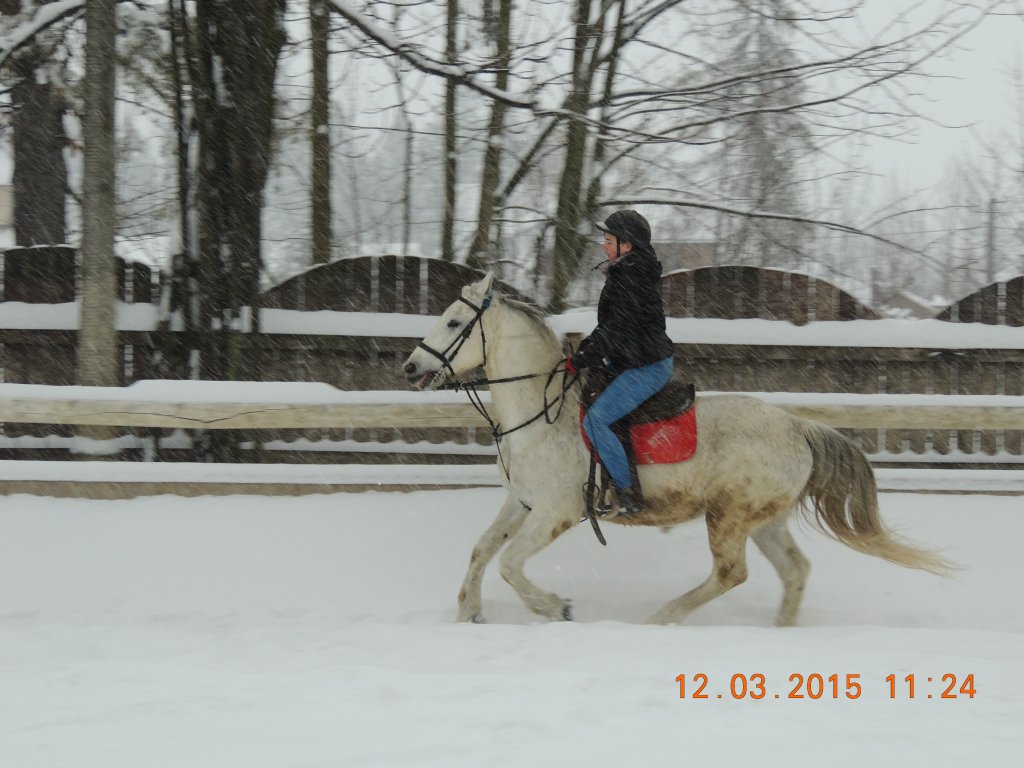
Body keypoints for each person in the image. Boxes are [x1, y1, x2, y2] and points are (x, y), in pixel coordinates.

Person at [566, 210, 674, 517]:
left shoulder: (633, 277)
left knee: (596, 421)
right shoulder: (626, 272)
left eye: (608, 240)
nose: (603, 246)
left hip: (646, 366)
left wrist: (585, 357)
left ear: (627, 245)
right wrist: (586, 350)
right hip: (630, 360)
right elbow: (609, 327)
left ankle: (627, 492)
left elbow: (617, 330)